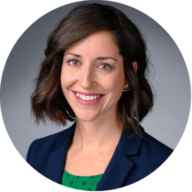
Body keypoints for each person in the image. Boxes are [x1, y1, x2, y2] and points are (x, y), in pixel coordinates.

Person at [26, 3, 174, 192]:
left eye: (104, 66)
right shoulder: (38, 153)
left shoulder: (160, 162)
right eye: (74, 62)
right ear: (59, 68)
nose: (86, 82)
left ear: (129, 76)